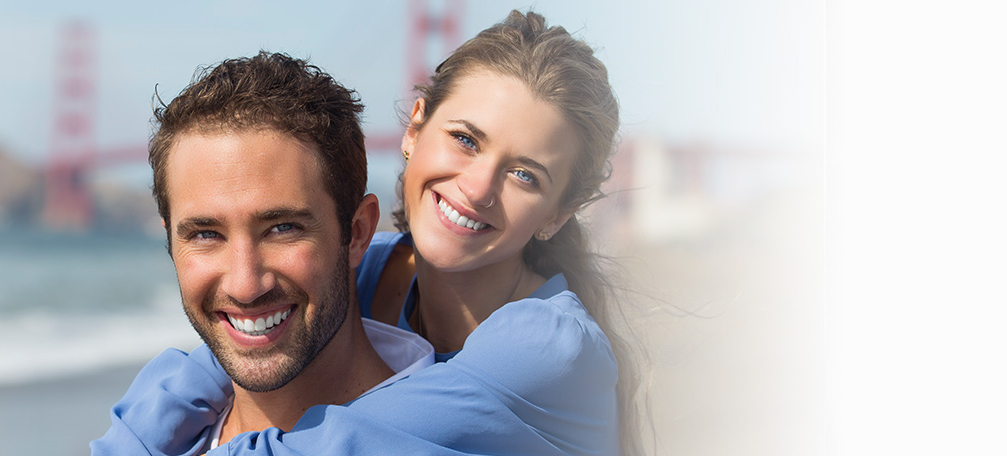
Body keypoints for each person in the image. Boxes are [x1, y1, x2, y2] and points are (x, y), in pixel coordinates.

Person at [94, 10, 641, 456]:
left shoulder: (547, 350)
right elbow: (217, 354)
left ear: (558, 213)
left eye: (525, 175)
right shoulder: (374, 267)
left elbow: (334, 445)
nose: (476, 189)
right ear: (415, 127)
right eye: (466, 140)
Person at [88, 51, 436, 454]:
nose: (245, 285)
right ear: (170, 242)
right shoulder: (154, 432)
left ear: (357, 233)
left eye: (282, 228)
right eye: (205, 234)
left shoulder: (434, 440)